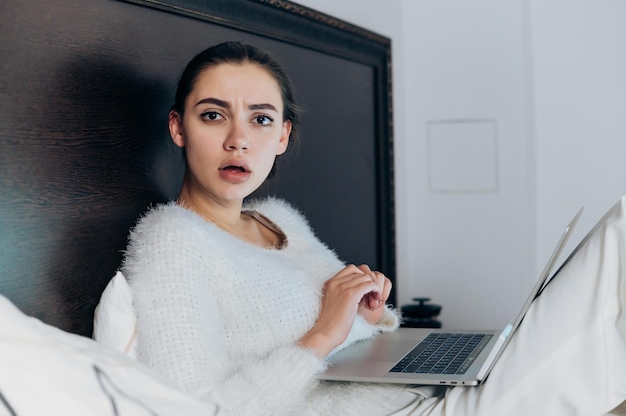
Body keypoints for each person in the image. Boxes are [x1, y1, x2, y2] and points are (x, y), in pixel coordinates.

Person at [103, 41, 626, 415]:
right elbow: (198, 410)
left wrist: (372, 319)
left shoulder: (279, 220)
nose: (239, 139)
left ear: (283, 136)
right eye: (214, 116)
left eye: (260, 119)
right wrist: (321, 335)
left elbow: (362, 343)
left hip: (429, 396)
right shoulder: (171, 243)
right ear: (178, 127)